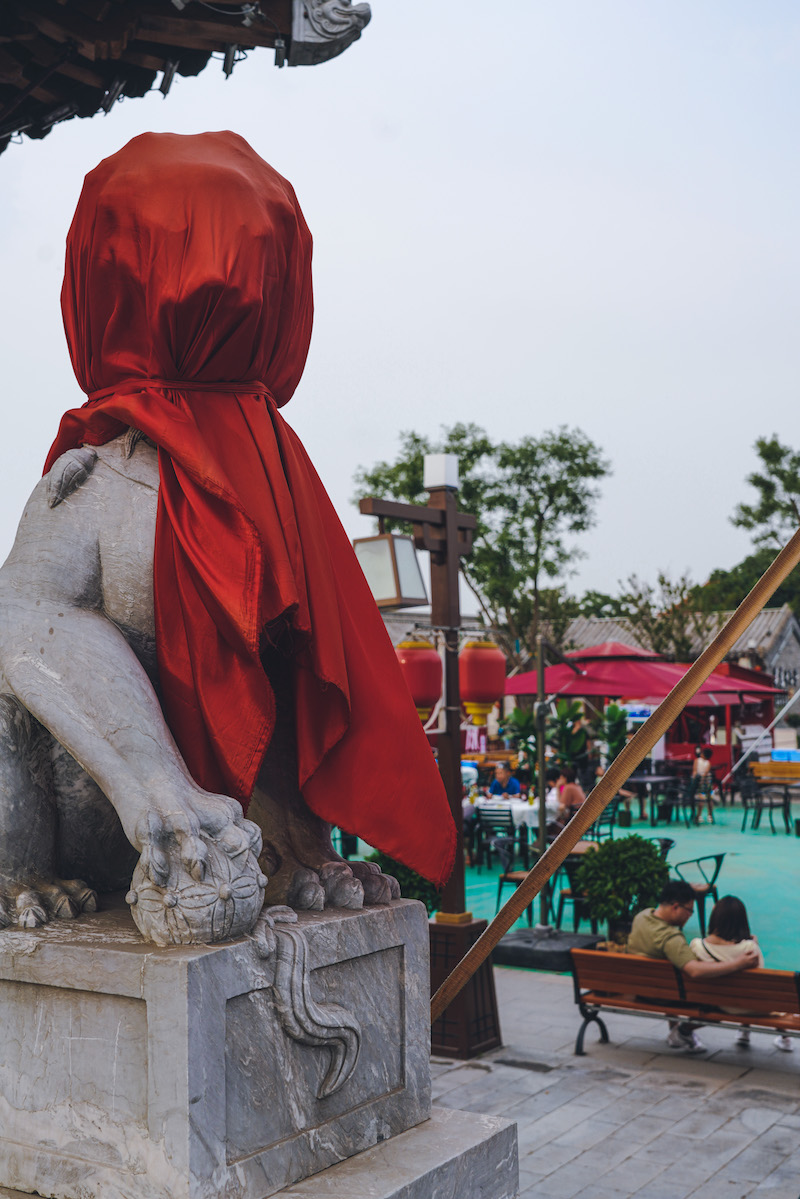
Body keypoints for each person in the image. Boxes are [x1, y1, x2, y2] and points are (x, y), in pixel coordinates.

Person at [627, 880, 760, 1052]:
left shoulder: (642, 916)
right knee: (719, 1002)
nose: (690, 916)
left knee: (670, 981)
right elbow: (695, 970)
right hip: (662, 995)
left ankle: (675, 1030)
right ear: (676, 907)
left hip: (640, 989)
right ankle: (682, 1032)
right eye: (689, 910)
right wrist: (738, 963)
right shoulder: (671, 939)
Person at [690, 896, 793, 1053]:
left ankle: (744, 1032)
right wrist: (753, 945)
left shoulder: (697, 945)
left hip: (718, 1003)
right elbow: (757, 980)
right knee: (762, 995)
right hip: (749, 1006)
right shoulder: (749, 949)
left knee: (746, 992)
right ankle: (784, 1038)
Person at [692, 746, 715, 822]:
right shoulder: (708, 763)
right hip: (708, 782)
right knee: (710, 799)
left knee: (701, 799)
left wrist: (695, 780)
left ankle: (699, 816)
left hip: (700, 782)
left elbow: (695, 771)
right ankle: (710, 816)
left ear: (702, 754)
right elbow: (706, 772)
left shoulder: (697, 760)